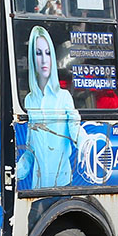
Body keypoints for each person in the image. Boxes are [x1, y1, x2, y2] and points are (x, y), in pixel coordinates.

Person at [16, 26, 83, 188]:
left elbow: (77, 133)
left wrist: (89, 145)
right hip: (38, 186)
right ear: (33, 58)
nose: (44, 60)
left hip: (62, 183)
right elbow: (31, 151)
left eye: (47, 53)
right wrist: (14, 173)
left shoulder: (64, 97)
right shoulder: (29, 101)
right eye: (38, 53)